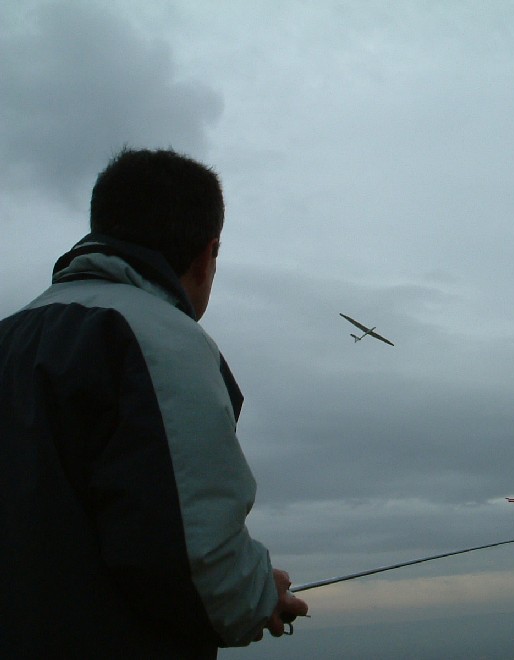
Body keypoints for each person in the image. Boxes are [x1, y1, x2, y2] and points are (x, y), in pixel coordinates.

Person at [0, 148, 308, 658]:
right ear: (207, 254)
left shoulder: (9, 336)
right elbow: (195, 561)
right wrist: (258, 592)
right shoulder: (161, 341)